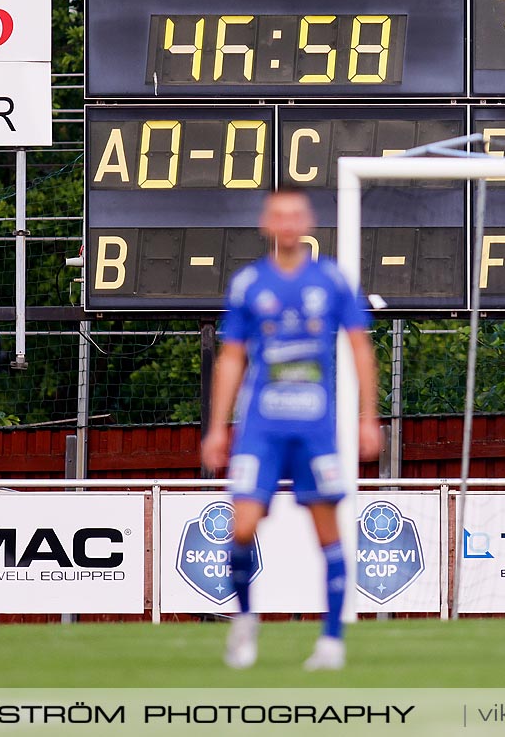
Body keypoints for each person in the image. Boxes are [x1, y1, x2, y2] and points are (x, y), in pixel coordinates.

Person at [202, 188, 381, 672]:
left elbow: (360, 347)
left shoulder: (331, 280)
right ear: (266, 222)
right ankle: (244, 620)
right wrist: (218, 427)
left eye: (295, 214)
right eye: (278, 214)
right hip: (260, 425)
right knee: (241, 525)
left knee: (327, 531)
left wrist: (368, 416)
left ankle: (332, 641)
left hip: (316, 427)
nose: (286, 222)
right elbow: (233, 356)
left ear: (307, 221)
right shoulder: (248, 284)